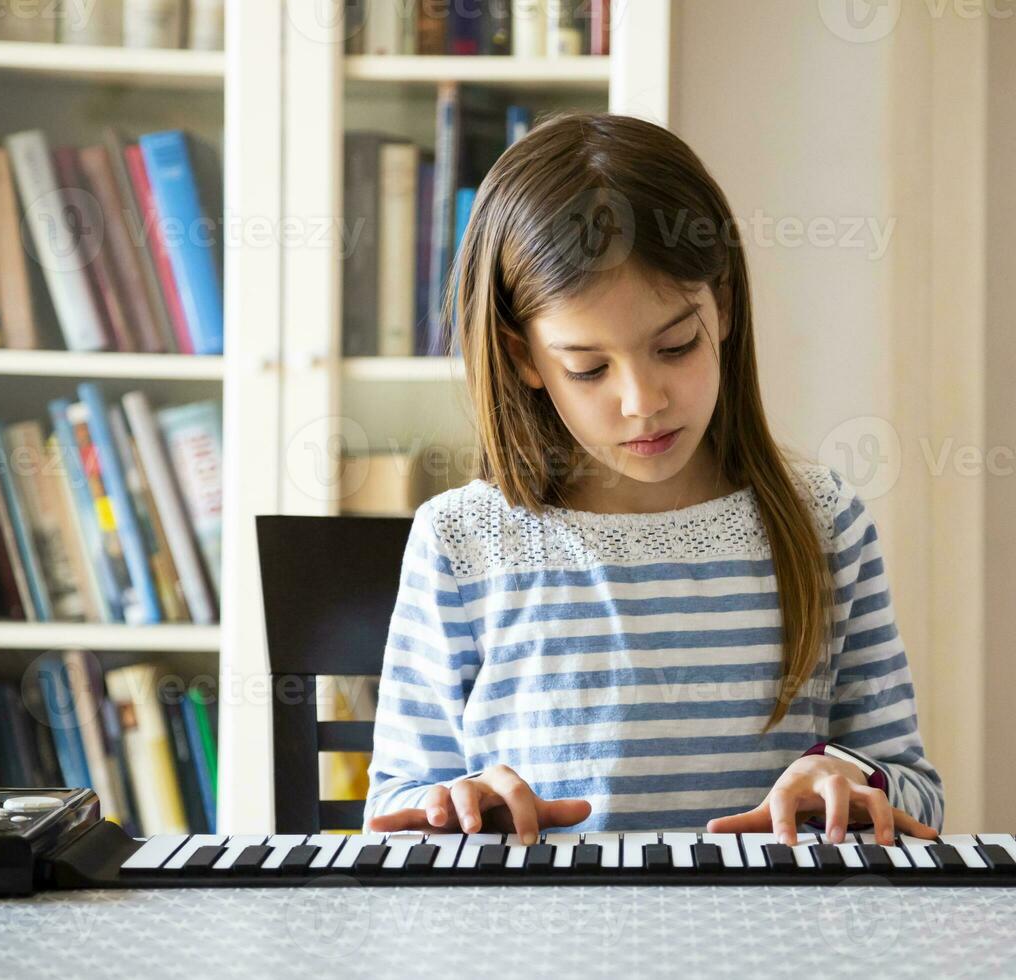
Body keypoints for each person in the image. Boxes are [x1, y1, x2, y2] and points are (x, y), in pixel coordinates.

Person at [364, 111, 943, 850]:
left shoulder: (825, 523)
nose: (643, 401)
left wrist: (853, 784)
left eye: (674, 345)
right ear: (522, 359)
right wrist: (457, 807)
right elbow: (392, 815)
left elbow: (916, 790)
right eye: (589, 368)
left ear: (723, 306)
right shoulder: (460, 542)